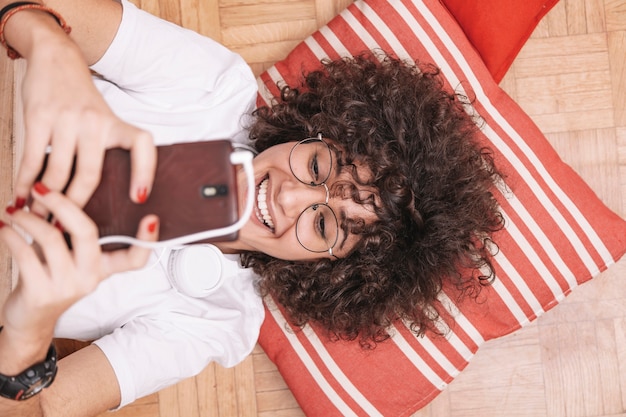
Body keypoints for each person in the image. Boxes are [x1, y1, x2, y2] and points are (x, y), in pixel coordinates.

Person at [0, 0, 503, 415]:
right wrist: (50, 47)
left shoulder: (219, 321)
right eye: (318, 168)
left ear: (329, 272)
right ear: (319, 133)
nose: (288, 195)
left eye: (324, 223)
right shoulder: (215, 89)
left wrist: (26, 330)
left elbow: (40, 409)